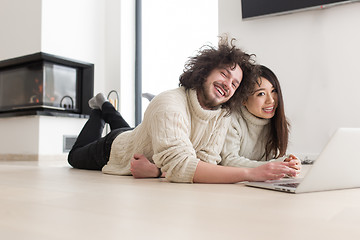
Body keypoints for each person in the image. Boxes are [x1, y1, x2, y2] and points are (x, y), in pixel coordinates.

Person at [68, 37, 298, 183]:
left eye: (235, 83)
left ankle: (107, 107)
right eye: (224, 74)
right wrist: (251, 174)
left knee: (133, 132)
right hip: (114, 149)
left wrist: (158, 171)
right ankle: (98, 113)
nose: (228, 84)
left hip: (142, 138)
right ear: (205, 71)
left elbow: (205, 161)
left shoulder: (221, 115)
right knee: (75, 156)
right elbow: (181, 166)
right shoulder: (168, 103)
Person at [130, 65, 301, 178]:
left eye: (274, 91)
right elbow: (226, 160)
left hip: (153, 146)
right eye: (261, 94)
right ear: (242, 99)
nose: (271, 101)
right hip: (124, 144)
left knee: (126, 129)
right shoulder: (228, 119)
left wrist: (285, 162)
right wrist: (270, 166)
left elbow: (268, 158)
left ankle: (106, 112)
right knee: (123, 132)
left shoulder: (274, 122)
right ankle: (107, 109)